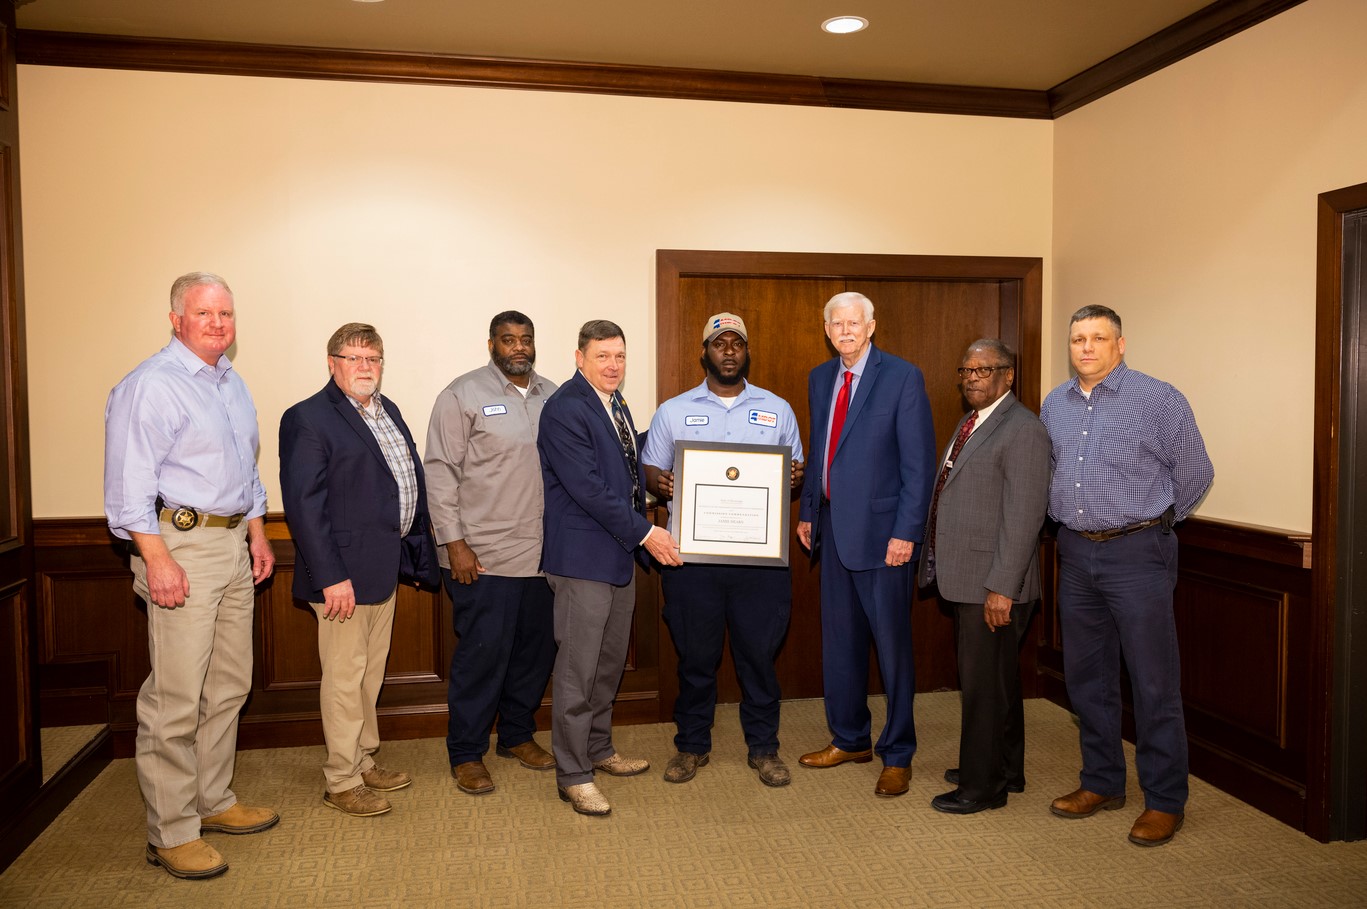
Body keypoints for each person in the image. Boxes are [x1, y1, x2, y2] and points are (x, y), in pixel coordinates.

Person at [104, 272, 277, 880]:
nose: (217, 324)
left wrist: (257, 533)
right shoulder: (151, 385)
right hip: (178, 546)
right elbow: (127, 487)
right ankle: (171, 831)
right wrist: (157, 560)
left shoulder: (231, 383)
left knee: (229, 684)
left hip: (232, 544)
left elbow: (246, 470)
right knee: (175, 698)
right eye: (204, 313)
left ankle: (212, 800)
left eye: (225, 313)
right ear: (176, 319)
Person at [1040, 304, 1213, 847]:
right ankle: (1101, 781)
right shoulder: (1055, 403)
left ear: (1119, 345)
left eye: (1098, 338)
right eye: (1078, 339)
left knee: (1153, 680)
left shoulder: (1157, 399)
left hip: (1138, 553)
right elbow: (1050, 472)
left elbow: (1195, 472)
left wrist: (1155, 524)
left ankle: (1164, 800)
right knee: (1086, 677)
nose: (1086, 347)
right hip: (1075, 551)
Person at [279, 322, 439, 818]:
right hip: (341, 579)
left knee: (369, 675)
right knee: (345, 680)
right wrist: (330, 577)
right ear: (333, 364)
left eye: (372, 358)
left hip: (382, 568)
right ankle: (342, 780)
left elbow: (401, 483)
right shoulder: (307, 417)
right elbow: (304, 507)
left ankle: (363, 758)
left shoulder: (387, 411)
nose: (365, 367)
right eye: (353, 358)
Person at [641, 312, 805, 788]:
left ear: (746, 352)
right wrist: (660, 482)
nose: (728, 350)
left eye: (737, 343)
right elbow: (649, 468)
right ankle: (691, 745)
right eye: (719, 343)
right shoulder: (673, 410)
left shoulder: (778, 409)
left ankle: (764, 748)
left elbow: (795, 468)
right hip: (693, 560)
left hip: (760, 561)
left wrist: (795, 474)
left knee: (759, 658)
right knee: (696, 658)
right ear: (705, 353)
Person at [537, 319, 684, 816]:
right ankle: (573, 774)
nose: (613, 364)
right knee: (577, 671)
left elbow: (625, 464)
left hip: (616, 555)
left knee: (606, 663)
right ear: (579, 358)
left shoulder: (614, 403)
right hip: (583, 560)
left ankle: (598, 748)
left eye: (619, 355)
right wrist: (648, 533)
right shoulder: (565, 408)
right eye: (602, 356)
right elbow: (588, 488)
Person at [795, 291, 937, 798]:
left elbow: (919, 464)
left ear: (871, 326)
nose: (846, 331)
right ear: (826, 329)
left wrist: (906, 532)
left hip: (883, 538)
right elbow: (819, 450)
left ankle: (897, 753)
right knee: (840, 644)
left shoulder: (902, 377)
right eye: (837, 324)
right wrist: (808, 511)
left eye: (854, 323)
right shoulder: (820, 378)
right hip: (832, 531)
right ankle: (850, 738)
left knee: (892, 649)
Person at [425, 311, 558, 796]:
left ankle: (517, 736)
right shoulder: (462, 394)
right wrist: (454, 543)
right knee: (482, 659)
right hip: (483, 556)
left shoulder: (554, 395)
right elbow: (439, 470)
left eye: (526, 339)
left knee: (534, 654)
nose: (518, 347)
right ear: (491, 345)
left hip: (544, 556)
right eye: (508, 339)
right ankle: (466, 752)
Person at [916, 339, 1050, 814]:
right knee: (999, 682)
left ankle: (981, 786)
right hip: (970, 576)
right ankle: (1006, 768)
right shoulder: (973, 421)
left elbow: (1024, 517)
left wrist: (1001, 588)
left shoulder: (1024, 429)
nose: (972, 378)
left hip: (993, 583)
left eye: (983, 370)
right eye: (966, 370)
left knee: (981, 689)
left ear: (1008, 375)